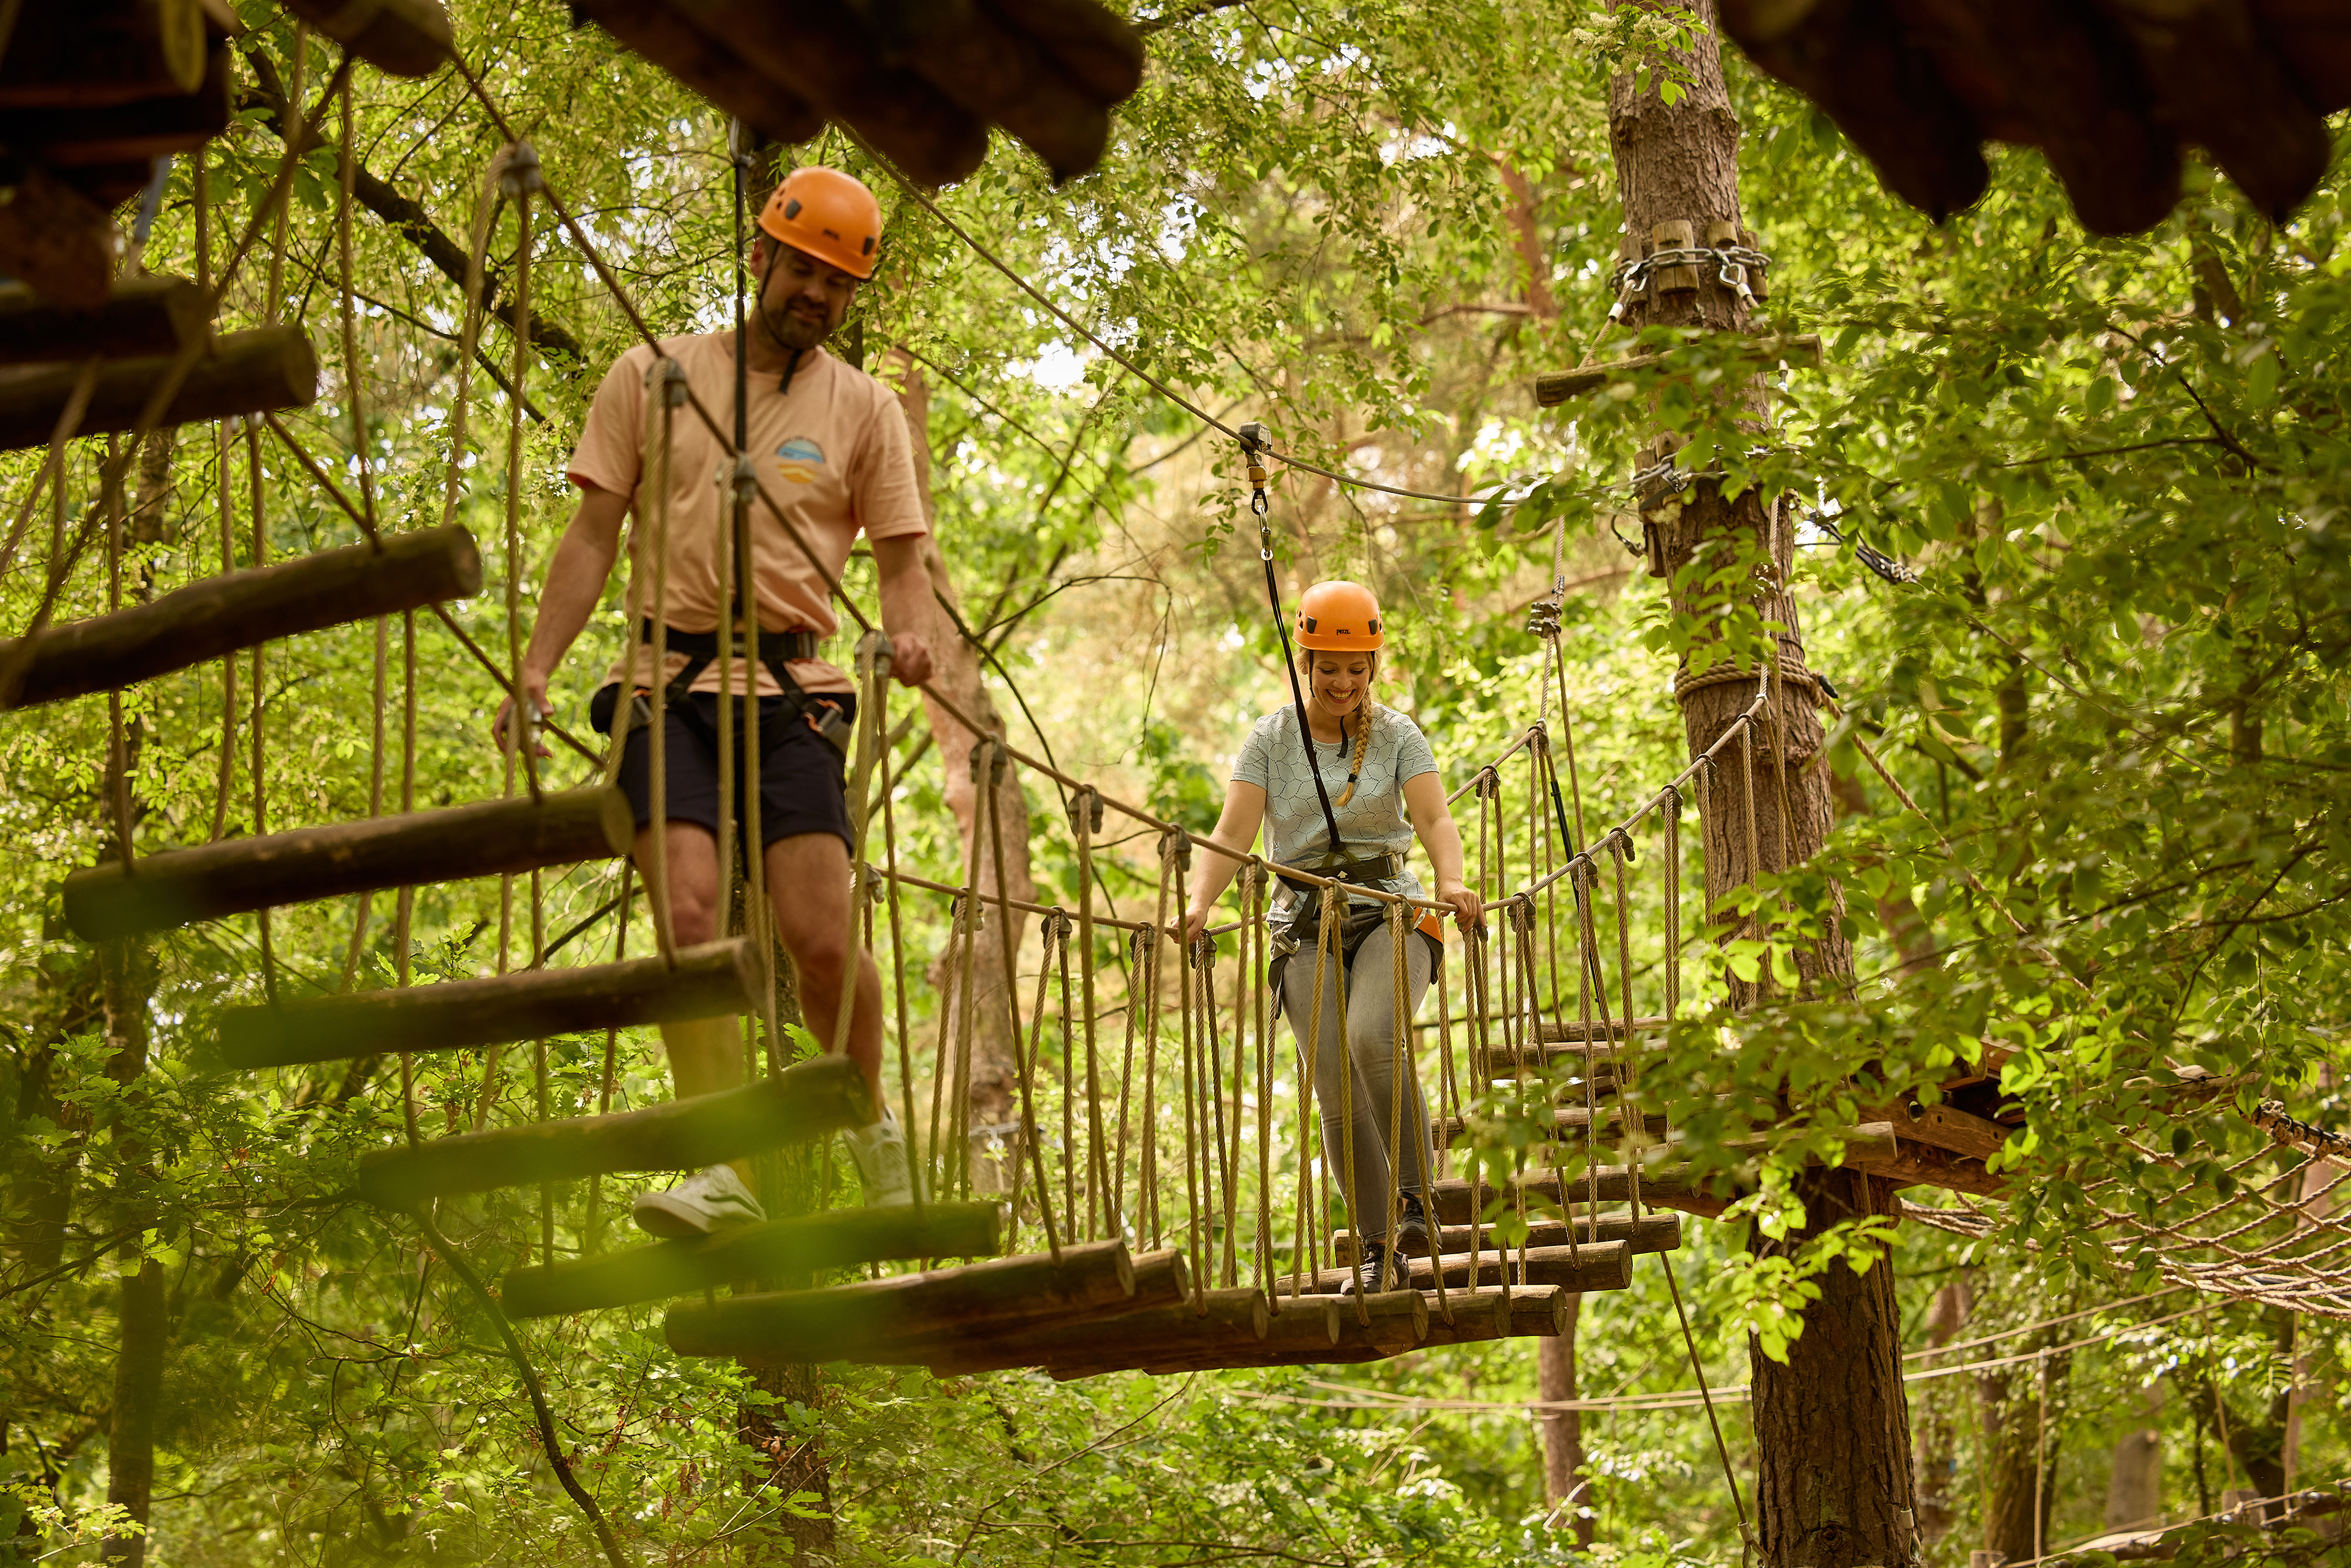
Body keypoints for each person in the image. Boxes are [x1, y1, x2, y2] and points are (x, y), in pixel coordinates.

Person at [495, 166, 934, 1236]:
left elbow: (905, 559)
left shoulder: (866, 409)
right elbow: (592, 532)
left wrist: (912, 631)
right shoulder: (655, 376)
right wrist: (539, 663)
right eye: (802, 270)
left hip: (797, 690)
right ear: (760, 258)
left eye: (837, 285)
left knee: (818, 938)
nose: (815, 296)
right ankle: (724, 1163)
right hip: (663, 682)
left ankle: (868, 1118)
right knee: (691, 920)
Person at [1181, 581, 1481, 1294]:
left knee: (1373, 1036)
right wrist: (1197, 904)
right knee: (1335, 1089)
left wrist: (1452, 879)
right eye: (1328, 667)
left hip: (1392, 909)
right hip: (1304, 922)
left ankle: (1417, 1199)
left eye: (1356, 669)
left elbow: (1435, 819)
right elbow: (1231, 833)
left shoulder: (1400, 734)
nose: (1342, 682)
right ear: (1305, 661)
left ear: (1372, 667)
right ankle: (1379, 1251)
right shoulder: (1270, 739)